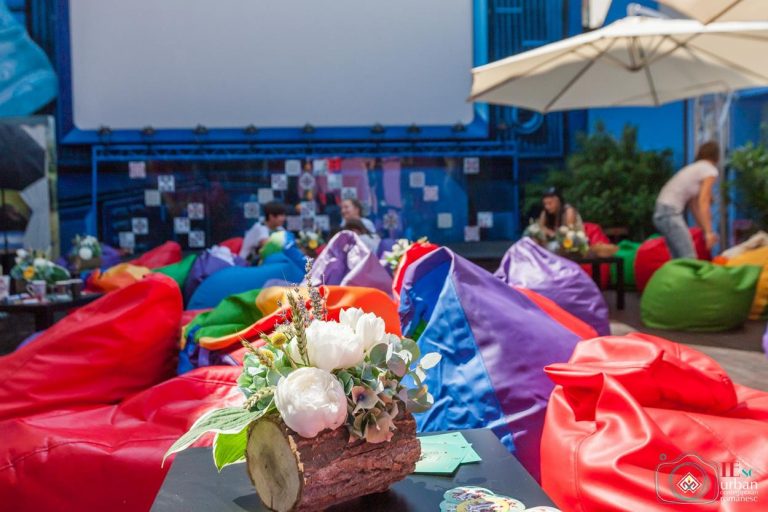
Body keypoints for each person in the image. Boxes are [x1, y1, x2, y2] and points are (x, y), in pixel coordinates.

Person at [654, 141, 719, 258]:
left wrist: (705, 231)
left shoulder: (694, 169)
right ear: (716, 157)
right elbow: (703, 201)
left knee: (678, 258)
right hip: (670, 213)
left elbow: (694, 207)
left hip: (662, 212)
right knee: (689, 257)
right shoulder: (709, 170)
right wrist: (709, 233)